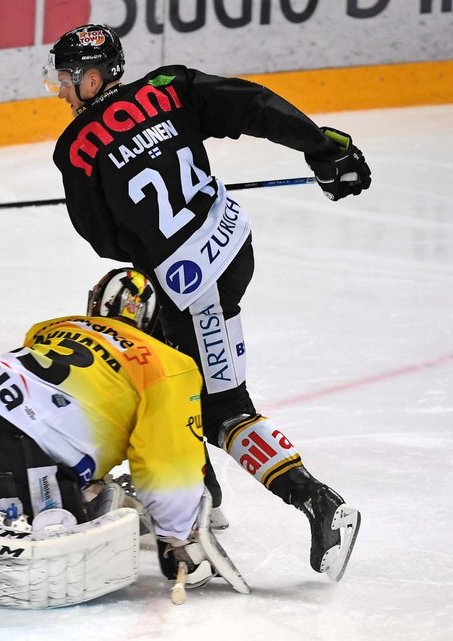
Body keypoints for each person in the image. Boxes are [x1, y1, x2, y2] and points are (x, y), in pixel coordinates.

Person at [43, 24, 365, 580]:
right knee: (173, 365)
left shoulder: (76, 149)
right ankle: (198, 491)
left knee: (223, 408)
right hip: (231, 243)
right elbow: (254, 106)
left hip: (196, 285)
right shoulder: (170, 85)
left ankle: (322, 505)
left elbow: (104, 241)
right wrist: (318, 146)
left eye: (66, 81)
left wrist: (146, 235)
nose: (60, 92)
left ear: (91, 78)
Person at [0, 268, 250, 608]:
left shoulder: (55, 328)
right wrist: (176, 538)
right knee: (60, 530)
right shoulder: (169, 365)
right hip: (20, 449)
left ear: (96, 303)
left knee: (64, 488)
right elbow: (167, 460)